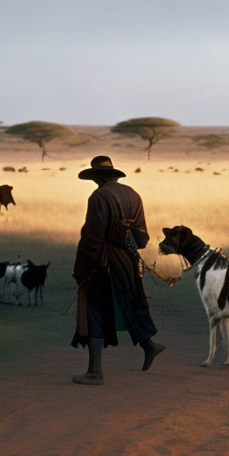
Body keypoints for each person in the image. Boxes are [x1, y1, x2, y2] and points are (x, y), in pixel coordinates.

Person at [71, 155, 165, 385]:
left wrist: (84, 266)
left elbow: (93, 237)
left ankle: (95, 372)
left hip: (105, 262)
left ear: (98, 177)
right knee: (130, 304)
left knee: (96, 308)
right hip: (129, 263)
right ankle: (149, 345)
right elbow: (142, 239)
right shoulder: (133, 194)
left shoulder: (98, 197)